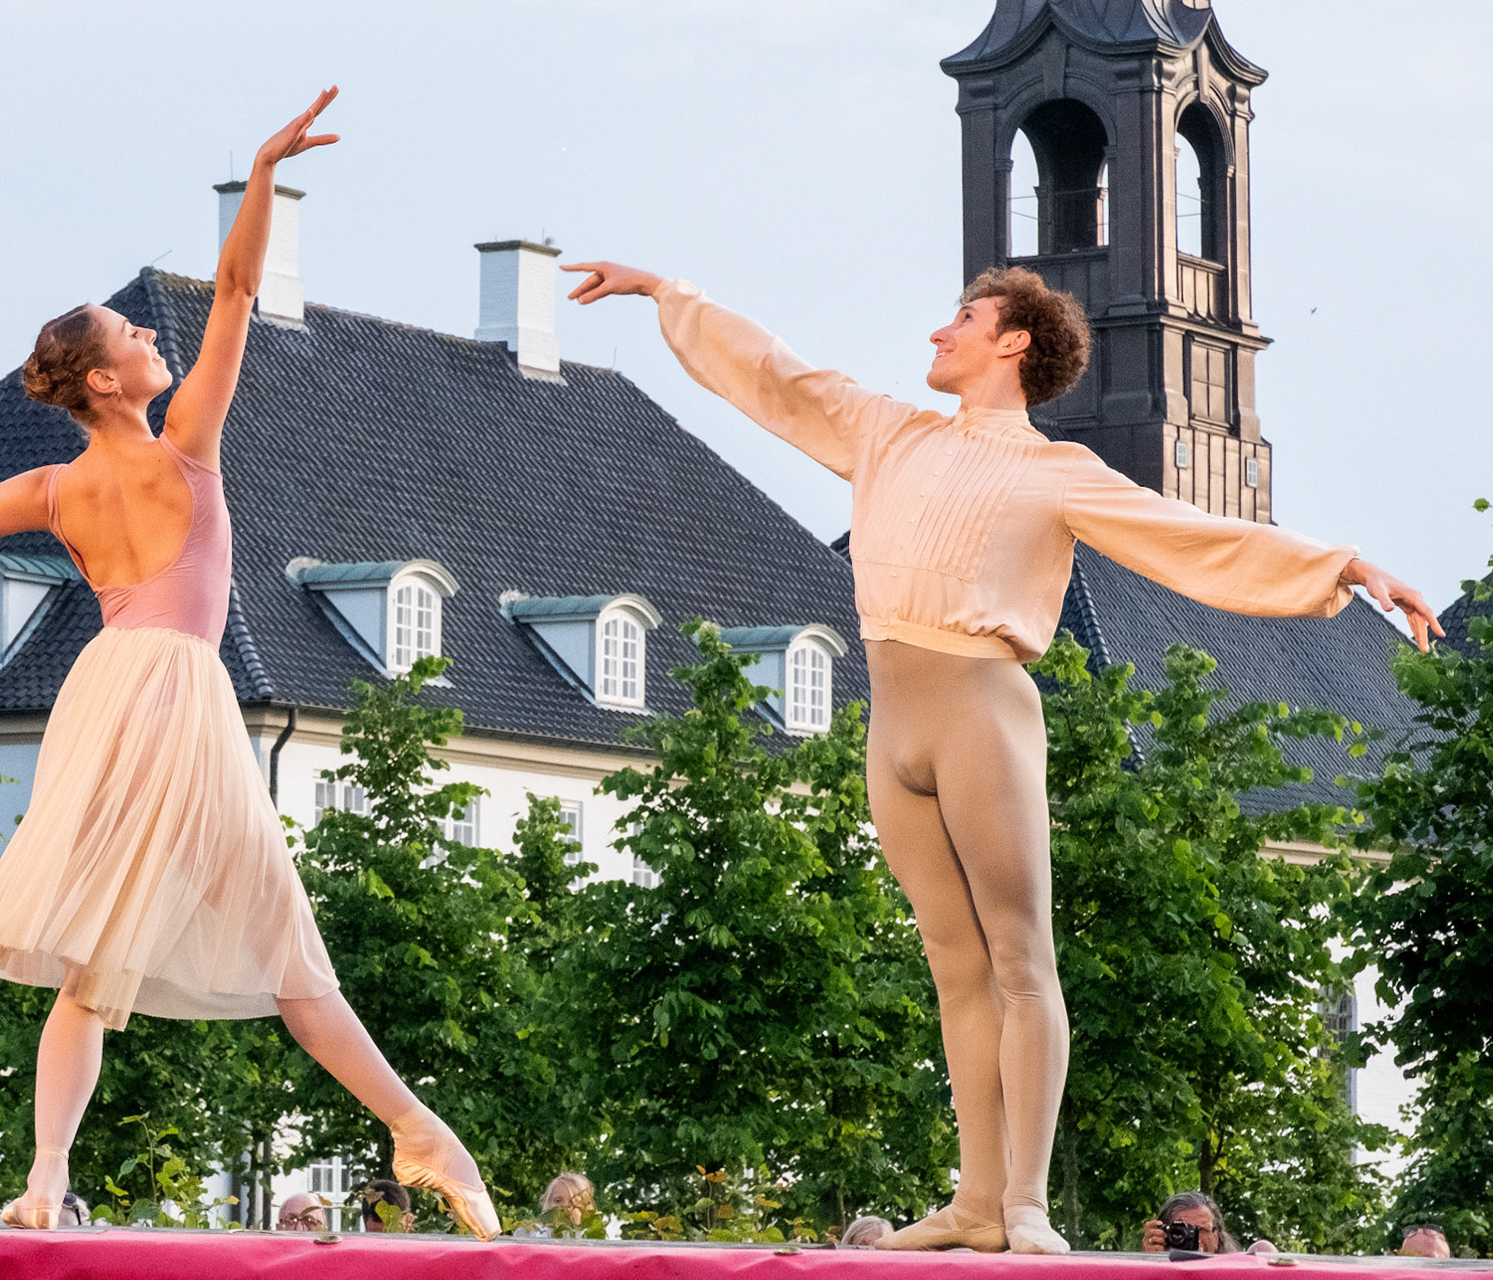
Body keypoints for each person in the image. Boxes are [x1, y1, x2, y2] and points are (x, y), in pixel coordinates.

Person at [0, 87, 497, 1241]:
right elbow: (236, 289)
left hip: (110, 689)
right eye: (131, 337)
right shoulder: (185, 448)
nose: (152, 338)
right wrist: (267, 174)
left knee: (95, 955)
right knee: (272, 941)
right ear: (101, 380)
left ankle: (47, 1175)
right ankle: (415, 1126)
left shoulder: (54, 488)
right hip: (174, 690)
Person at [563, 260, 1441, 1256]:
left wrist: (1345, 566)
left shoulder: (1054, 471)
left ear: (1013, 341)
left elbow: (1196, 538)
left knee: (1022, 957)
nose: (939, 332)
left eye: (963, 318)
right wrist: (665, 294)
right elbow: (778, 376)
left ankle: (1024, 1198)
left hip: (983, 706)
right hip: (891, 721)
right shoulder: (888, 433)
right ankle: (975, 1195)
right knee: (953, 966)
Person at [1141, 1191, 1239, 1254]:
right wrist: (1151, 1262)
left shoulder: (1234, 1274)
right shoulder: (1156, 1272)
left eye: (1202, 1230)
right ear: (1165, 1235)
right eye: (1182, 1231)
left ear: (1216, 1236)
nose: (1196, 1239)